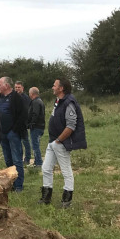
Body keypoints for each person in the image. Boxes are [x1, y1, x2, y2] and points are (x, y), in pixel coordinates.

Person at [38, 79, 86, 208]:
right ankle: (46, 196)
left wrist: (59, 140)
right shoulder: (59, 101)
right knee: (46, 168)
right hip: (53, 141)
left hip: (60, 142)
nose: (52, 87)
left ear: (61, 88)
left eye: (54, 85)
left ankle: (67, 199)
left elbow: (71, 125)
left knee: (66, 170)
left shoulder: (69, 102)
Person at [0, 76, 26, 192]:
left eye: (0, 84)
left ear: (6, 85)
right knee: (8, 160)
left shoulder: (17, 98)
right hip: (2, 133)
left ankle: (19, 185)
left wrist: (14, 130)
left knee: (17, 160)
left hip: (13, 133)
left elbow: (23, 115)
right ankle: (11, 183)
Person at [15, 81, 33, 164]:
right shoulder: (13, 97)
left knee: (25, 142)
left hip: (23, 124)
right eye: (16, 87)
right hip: (15, 124)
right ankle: (19, 158)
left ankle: (27, 159)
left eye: (19, 87)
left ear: (22, 88)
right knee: (17, 143)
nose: (17, 89)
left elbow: (27, 111)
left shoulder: (26, 98)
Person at [27, 87, 46, 168]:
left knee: (35, 145)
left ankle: (38, 162)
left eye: (29, 93)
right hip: (40, 126)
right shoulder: (40, 101)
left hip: (36, 127)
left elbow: (35, 114)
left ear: (32, 94)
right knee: (36, 144)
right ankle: (36, 161)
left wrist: (31, 123)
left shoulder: (35, 102)